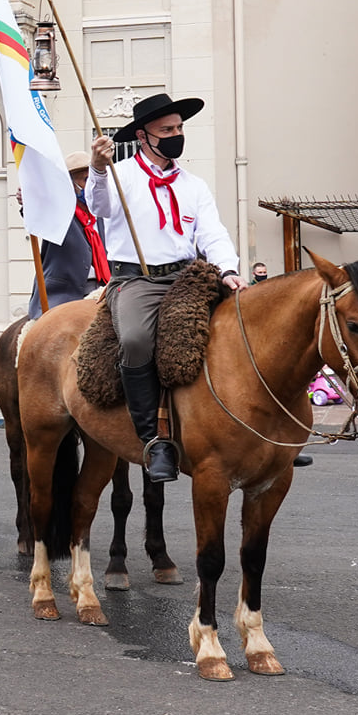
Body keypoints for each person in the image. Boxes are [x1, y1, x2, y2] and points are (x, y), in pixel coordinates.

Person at [89, 92, 243, 482]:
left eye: (179, 128)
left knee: (243, 324)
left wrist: (228, 270)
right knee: (137, 340)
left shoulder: (194, 185)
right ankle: (153, 440)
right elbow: (99, 207)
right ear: (143, 136)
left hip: (187, 276)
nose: (177, 135)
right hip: (137, 278)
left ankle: (257, 431)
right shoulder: (120, 175)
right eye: (167, 129)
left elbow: (213, 234)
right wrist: (98, 168)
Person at [29, 151, 109, 316]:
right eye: (85, 180)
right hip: (64, 292)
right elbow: (39, 211)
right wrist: (28, 201)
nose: (90, 185)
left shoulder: (102, 212)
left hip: (104, 287)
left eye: (93, 180)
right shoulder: (59, 211)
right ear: (70, 184)